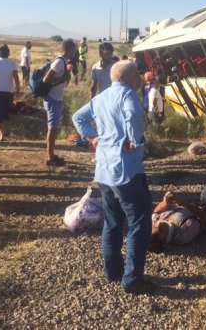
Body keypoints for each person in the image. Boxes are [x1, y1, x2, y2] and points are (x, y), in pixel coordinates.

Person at [72, 59, 157, 295]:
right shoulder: (128, 95)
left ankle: (113, 272)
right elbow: (132, 116)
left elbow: (78, 117)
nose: (140, 77)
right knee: (139, 221)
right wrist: (134, 139)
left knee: (112, 221)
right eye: (138, 74)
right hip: (126, 169)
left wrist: (91, 136)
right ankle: (132, 279)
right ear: (129, 76)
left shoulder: (100, 98)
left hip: (104, 170)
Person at [149, 176, 206, 252]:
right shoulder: (182, 235)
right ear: (161, 236)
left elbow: (156, 211)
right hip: (204, 207)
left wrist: (165, 203)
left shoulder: (154, 223)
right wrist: (182, 203)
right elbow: (202, 215)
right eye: (155, 228)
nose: (153, 225)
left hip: (189, 203)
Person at [42, 39, 76, 166]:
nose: (75, 52)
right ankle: (50, 158)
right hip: (52, 99)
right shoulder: (58, 62)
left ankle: (51, 155)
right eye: (74, 49)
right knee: (52, 128)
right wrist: (64, 78)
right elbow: (46, 80)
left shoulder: (63, 61)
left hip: (55, 98)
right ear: (70, 50)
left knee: (54, 128)